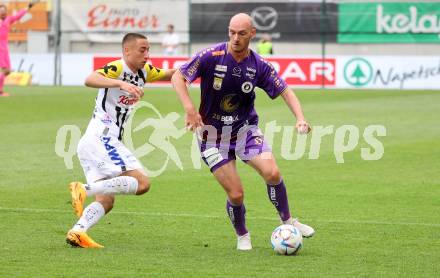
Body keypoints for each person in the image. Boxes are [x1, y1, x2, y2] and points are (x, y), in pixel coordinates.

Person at [171, 13, 314, 251]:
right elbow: (178, 76)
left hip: (245, 131)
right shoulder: (211, 56)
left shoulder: (259, 65)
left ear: (252, 34)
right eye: (232, 32)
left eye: (241, 33)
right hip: (212, 137)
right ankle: (242, 235)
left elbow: (285, 91)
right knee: (236, 194)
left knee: (272, 172)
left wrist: (300, 118)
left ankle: (288, 221)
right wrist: (189, 109)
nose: (235, 38)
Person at [66, 33, 176, 248]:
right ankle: (83, 189)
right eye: (142, 50)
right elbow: (90, 79)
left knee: (106, 200)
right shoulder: (117, 68)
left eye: (148, 50)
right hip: (103, 136)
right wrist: (120, 84)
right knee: (143, 183)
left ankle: (77, 232)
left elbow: (170, 73)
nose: (147, 55)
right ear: (127, 51)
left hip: (94, 141)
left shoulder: (145, 72)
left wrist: (201, 64)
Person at [0, 1, 36, 97]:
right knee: (5, 70)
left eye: (4, 11)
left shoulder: (8, 19)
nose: (3, 12)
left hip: (4, 48)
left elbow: (18, 16)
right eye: (1, 11)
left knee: (7, 71)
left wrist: (27, 7)